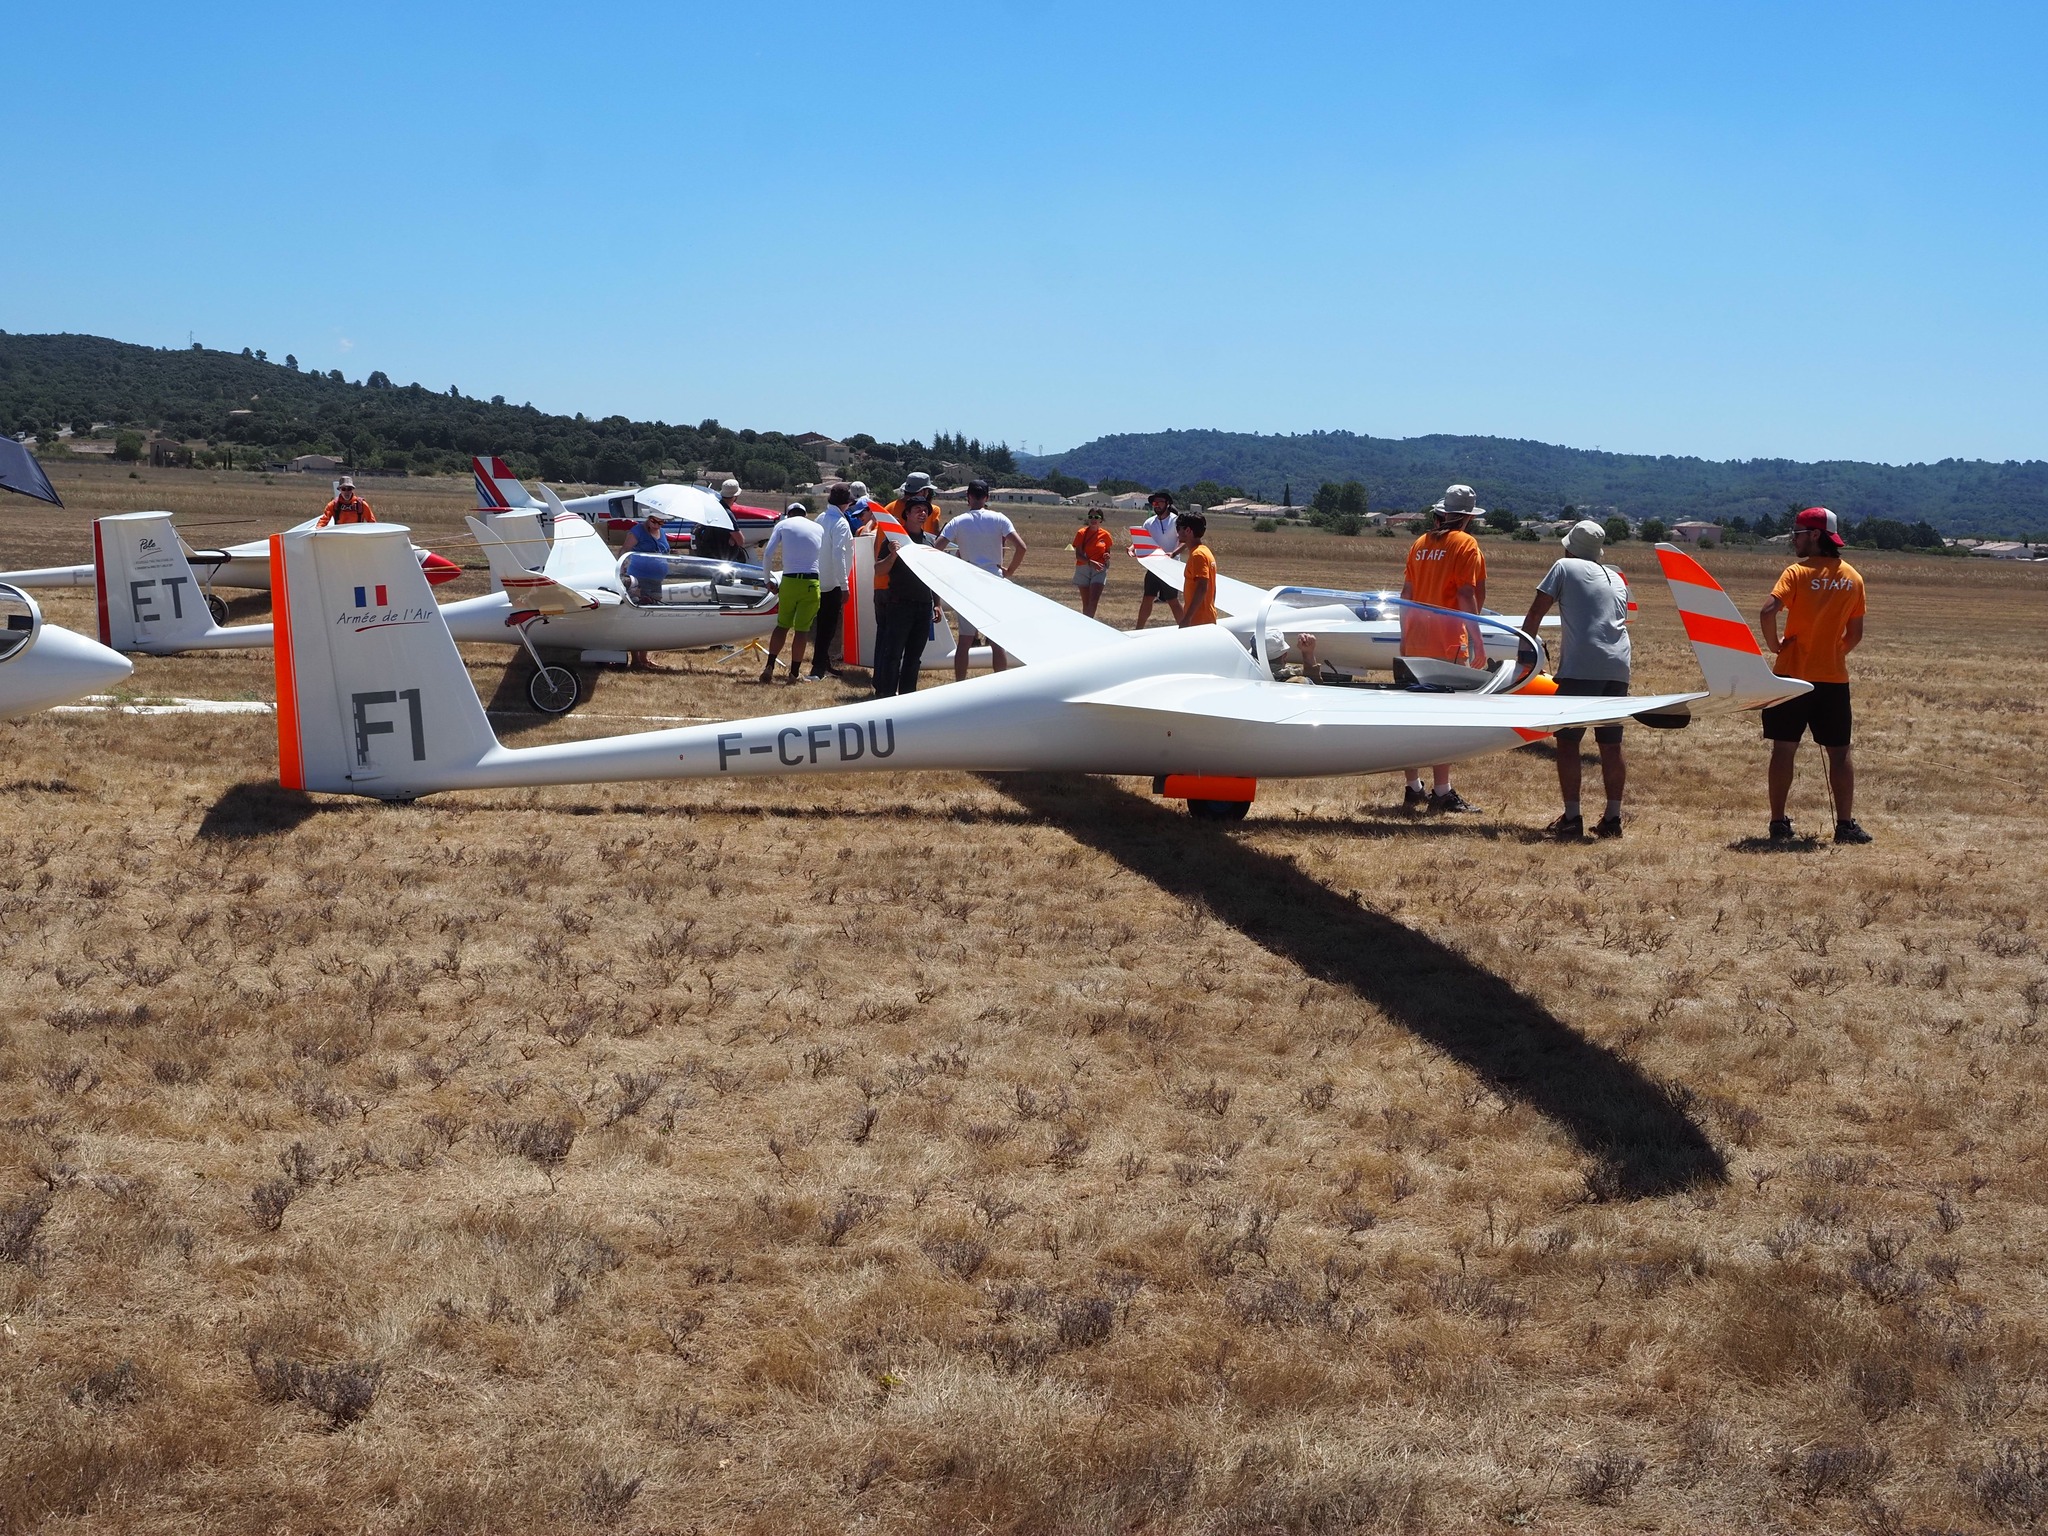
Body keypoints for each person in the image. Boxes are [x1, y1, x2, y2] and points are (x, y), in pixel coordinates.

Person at [1760, 507, 1870, 844]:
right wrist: (1834, 654)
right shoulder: (1853, 577)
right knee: (1839, 753)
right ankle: (1845, 825)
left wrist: (1776, 645)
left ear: (1816, 535)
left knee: (1784, 750)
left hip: (1791, 677)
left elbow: (1767, 611)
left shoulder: (1796, 573)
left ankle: (1778, 823)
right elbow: (1855, 634)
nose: (1794, 538)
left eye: (1798, 532)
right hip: (1833, 680)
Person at [1521, 519, 1632, 838]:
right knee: (1611, 745)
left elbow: (1536, 612)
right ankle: (1612, 819)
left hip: (1582, 667)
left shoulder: (1563, 567)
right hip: (1618, 667)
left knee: (1568, 742)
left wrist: (1526, 652)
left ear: (1570, 547)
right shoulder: (1616, 577)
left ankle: (1572, 817)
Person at [1398, 485, 1488, 813]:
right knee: (1445, 719)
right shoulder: (1466, 544)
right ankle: (1442, 791)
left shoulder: (1420, 543)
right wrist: (1477, 640)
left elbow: (1405, 594)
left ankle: (1412, 787)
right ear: (1467, 518)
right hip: (1447, 643)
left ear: (1444, 512)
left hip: (1415, 640)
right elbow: (1466, 595)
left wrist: (1404, 636)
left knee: (1411, 718)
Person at [942, 480, 1027, 678]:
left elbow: (937, 547)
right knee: (997, 640)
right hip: (994, 582)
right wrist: (1009, 571)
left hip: (967, 583)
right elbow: (1021, 547)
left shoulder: (958, 521)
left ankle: (961, 683)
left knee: (964, 641)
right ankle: (1001, 684)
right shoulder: (999, 519)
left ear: (968, 497)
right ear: (987, 498)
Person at [871, 501, 940, 698]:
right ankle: (886, 695)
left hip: (923, 606)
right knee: (892, 654)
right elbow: (879, 570)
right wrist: (893, 555)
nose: (923, 512)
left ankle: (908, 697)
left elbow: (934, 575)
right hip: (899, 605)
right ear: (906, 514)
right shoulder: (894, 541)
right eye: (917, 509)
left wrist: (937, 604)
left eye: (925, 510)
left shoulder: (929, 542)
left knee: (914, 657)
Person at [757, 501, 823, 684]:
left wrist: (767, 580)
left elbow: (769, 554)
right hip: (811, 581)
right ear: (804, 514)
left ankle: (769, 665)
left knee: (782, 625)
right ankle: (794, 673)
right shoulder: (818, 528)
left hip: (790, 580)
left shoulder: (782, 525)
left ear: (789, 514)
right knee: (802, 631)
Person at [809, 483, 856, 678]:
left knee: (823, 626)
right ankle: (818, 668)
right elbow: (839, 554)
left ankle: (823, 664)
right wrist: (844, 585)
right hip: (833, 583)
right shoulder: (841, 523)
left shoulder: (821, 518)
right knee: (827, 628)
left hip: (820, 577)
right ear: (846, 503)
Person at [618, 508, 672, 671]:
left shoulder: (661, 533)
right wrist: (621, 572)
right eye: (655, 521)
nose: (657, 525)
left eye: (661, 522)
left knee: (650, 617)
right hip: (639, 579)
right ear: (648, 518)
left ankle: (644, 658)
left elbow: (663, 550)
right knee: (639, 617)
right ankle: (636, 660)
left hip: (656, 581)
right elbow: (624, 550)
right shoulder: (637, 532)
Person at [1134, 490, 1184, 629]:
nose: (1156, 505)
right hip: (1154, 566)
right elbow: (1141, 539)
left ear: (1167, 504)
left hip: (1171, 567)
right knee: (1147, 598)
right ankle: (1138, 629)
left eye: (1159, 502)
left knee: (1172, 600)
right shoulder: (1149, 522)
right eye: (1154, 503)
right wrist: (1133, 548)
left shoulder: (1176, 521)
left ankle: (1186, 628)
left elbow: (1183, 541)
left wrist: (1172, 554)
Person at [1070, 507, 1112, 618]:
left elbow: (1107, 552)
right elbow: (1078, 555)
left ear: (1101, 520)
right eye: (1091, 517)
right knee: (1086, 603)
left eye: (1096, 517)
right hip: (1083, 568)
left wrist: (1107, 556)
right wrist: (1090, 562)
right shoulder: (1081, 533)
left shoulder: (1106, 535)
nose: (1093, 519)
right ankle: (1086, 625)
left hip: (1099, 570)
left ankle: (1089, 626)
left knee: (1093, 600)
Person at [1176, 513, 1217, 626]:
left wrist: (1187, 618)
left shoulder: (1198, 555)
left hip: (1199, 620)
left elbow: (1202, 587)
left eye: (1179, 529)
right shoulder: (1205, 551)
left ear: (1188, 531)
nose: (1177, 533)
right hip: (1206, 617)